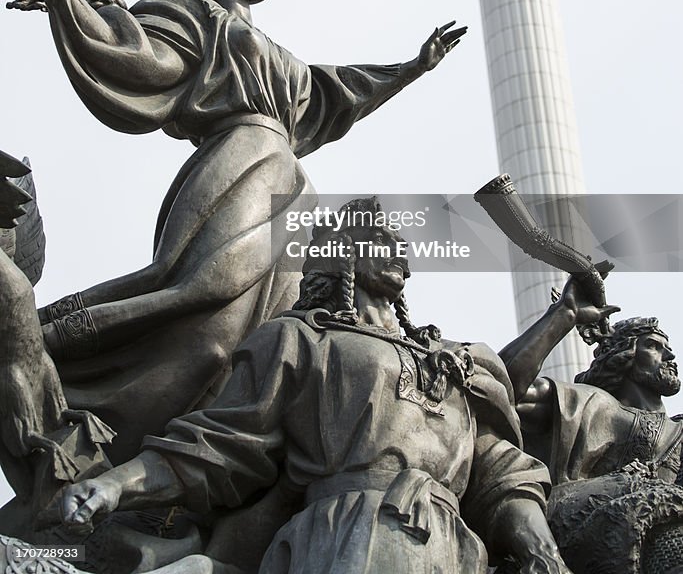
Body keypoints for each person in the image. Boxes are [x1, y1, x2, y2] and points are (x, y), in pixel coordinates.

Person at [16, 0, 467, 464]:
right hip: (237, 159)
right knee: (203, 307)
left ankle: (199, 470)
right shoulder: (189, 15)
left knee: (266, 341)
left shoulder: (280, 58)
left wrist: (410, 68)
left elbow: (334, 96)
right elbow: (137, 58)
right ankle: (43, 347)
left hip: (289, 182)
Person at [57, 199, 572, 574]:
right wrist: (110, 486)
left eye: (400, 239)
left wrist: (540, 549)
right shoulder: (300, 339)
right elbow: (217, 447)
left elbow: (500, 472)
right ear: (343, 251)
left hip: (456, 547)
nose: (399, 246)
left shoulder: (451, 363)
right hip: (348, 535)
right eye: (381, 237)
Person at [500, 276, 683, 574]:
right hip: (585, 530)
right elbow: (502, 386)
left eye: (668, 347)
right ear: (624, 354)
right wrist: (564, 314)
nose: (670, 355)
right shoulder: (589, 404)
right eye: (654, 346)